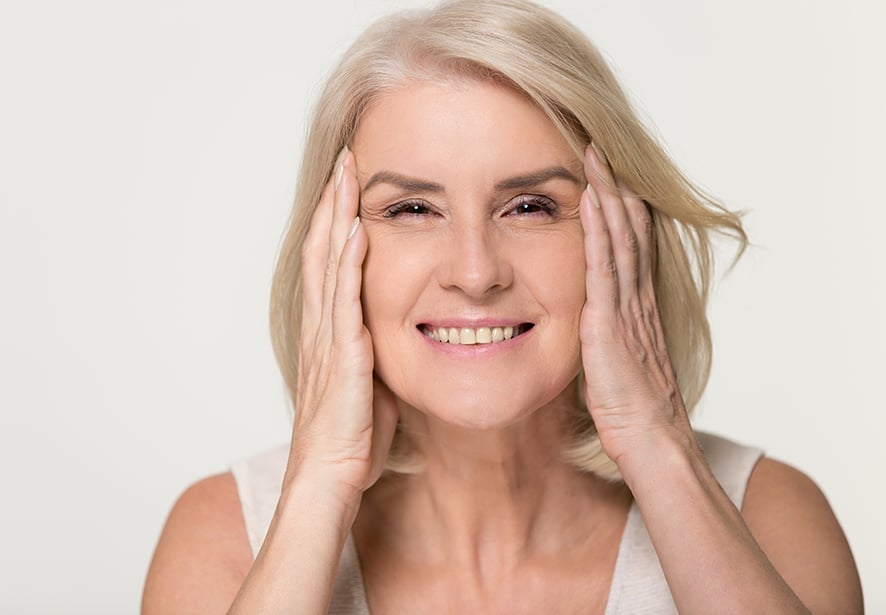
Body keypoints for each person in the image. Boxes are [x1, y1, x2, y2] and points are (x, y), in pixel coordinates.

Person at [142, 1, 863, 612]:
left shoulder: (769, 517)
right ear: (330, 249)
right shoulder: (222, 537)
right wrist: (320, 478)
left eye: (530, 205)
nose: (475, 271)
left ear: (621, 232)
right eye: (414, 207)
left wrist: (655, 441)